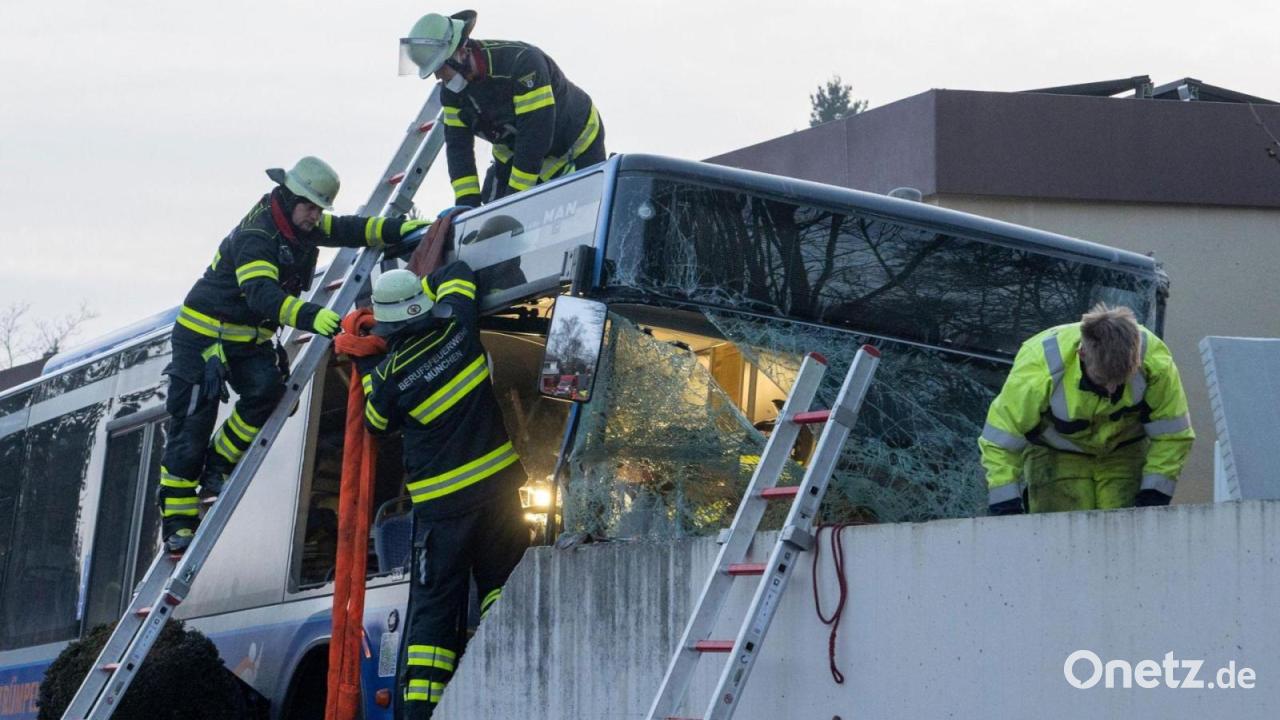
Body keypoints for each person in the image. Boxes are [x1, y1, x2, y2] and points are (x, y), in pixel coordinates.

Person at [158, 156, 427, 553]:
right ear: (287, 197)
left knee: (267, 392)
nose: (315, 216)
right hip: (204, 336)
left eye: (320, 208)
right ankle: (178, 520)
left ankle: (217, 463)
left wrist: (404, 230)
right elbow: (261, 294)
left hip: (248, 338)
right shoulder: (257, 236)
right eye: (310, 207)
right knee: (190, 427)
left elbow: (353, 228)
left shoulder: (302, 224)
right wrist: (310, 316)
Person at [357, 263, 529, 718]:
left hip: (444, 514)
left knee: (435, 611)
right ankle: (507, 686)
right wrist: (425, 282)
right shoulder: (459, 326)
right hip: (500, 494)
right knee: (503, 588)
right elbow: (458, 271)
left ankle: (421, 713)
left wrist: (366, 360)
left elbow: (376, 423)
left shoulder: (391, 376)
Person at [979, 303, 1195, 515]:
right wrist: (1005, 504)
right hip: (1055, 457)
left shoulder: (1156, 364)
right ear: (1082, 354)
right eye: (1102, 379)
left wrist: (1154, 494)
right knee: (1060, 536)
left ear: (1137, 358)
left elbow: (1173, 436)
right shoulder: (1040, 365)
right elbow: (1000, 442)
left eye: (1121, 381)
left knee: (1122, 537)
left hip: (1124, 454)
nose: (1111, 389)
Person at [399, 10, 605, 207]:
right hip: (515, 151)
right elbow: (458, 148)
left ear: (461, 52)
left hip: (576, 141)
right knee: (491, 214)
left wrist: (515, 198)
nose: (438, 77)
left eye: (440, 68)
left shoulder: (522, 64)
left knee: (586, 209)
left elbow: (535, 136)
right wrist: (466, 203)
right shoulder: (451, 94)